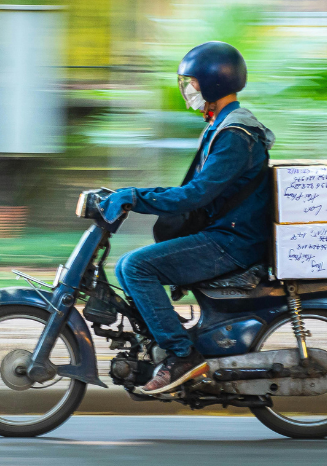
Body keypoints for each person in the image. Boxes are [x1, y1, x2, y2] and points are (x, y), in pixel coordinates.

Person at [97, 41, 275, 394]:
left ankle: (181, 354)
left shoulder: (235, 136)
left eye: (192, 83)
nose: (187, 90)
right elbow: (196, 190)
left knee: (135, 267)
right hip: (227, 233)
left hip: (232, 242)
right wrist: (137, 195)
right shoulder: (222, 125)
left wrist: (135, 197)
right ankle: (166, 337)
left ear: (214, 83)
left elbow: (195, 194)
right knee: (126, 267)